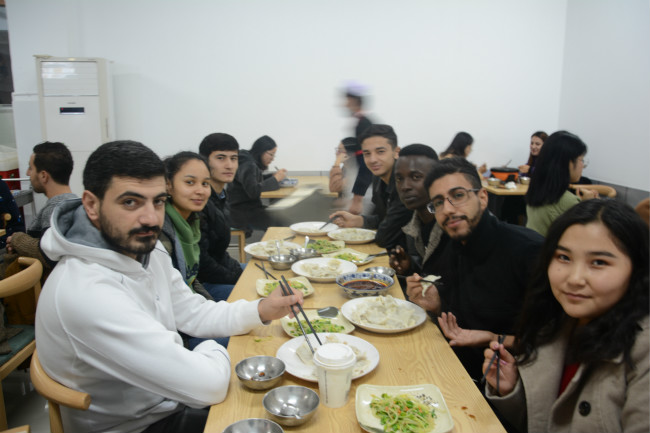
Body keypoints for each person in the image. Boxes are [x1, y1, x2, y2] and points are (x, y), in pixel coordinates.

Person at [35, 140, 303, 433]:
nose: (151, 218)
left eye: (158, 201)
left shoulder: (144, 249)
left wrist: (262, 309)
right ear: (91, 205)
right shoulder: (86, 293)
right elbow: (208, 386)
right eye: (130, 202)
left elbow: (192, 311)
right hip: (136, 426)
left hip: (168, 401)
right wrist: (207, 349)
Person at [483, 199, 649, 433]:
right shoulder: (556, 323)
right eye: (564, 257)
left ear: (636, 269)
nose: (574, 278)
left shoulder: (643, 349)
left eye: (599, 262)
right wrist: (511, 390)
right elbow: (546, 423)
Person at [405, 157, 544, 382]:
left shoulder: (528, 250)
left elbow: (552, 343)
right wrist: (438, 305)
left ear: (482, 197)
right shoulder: (452, 245)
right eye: (438, 203)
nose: (447, 209)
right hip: (454, 366)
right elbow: (461, 319)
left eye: (458, 195)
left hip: (509, 383)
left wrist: (491, 337)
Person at [329, 124, 412, 249]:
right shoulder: (378, 178)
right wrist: (358, 220)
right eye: (367, 153)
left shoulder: (405, 185)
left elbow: (385, 237)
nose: (372, 159)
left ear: (396, 152)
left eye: (380, 152)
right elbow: (383, 218)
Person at [6, 141, 76, 259]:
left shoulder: (54, 210)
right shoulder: (75, 202)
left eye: (31, 168)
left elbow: (50, 255)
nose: (27, 173)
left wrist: (17, 240)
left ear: (43, 176)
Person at [159, 151, 213, 301]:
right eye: (190, 182)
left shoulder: (193, 222)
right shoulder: (161, 232)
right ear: (168, 185)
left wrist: (210, 303)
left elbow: (191, 279)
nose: (200, 191)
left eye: (205, 183)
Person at [197, 133, 244, 300]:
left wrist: (237, 271)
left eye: (233, 158)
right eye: (221, 158)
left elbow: (219, 252)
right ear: (205, 161)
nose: (229, 165)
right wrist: (236, 278)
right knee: (262, 295)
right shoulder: (199, 200)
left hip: (218, 270)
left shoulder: (221, 195)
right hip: (202, 283)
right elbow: (202, 262)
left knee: (261, 272)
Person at [388, 144, 446, 279]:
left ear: (437, 179)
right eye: (399, 179)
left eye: (416, 177)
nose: (405, 187)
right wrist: (409, 268)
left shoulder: (453, 226)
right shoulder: (413, 226)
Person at [525, 131, 597, 236]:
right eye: (581, 160)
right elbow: (586, 236)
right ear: (567, 163)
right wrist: (589, 205)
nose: (583, 165)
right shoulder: (568, 201)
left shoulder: (536, 191)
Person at [228, 135, 287, 232]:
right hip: (241, 213)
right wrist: (275, 179)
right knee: (279, 224)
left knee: (278, 217)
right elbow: (253, 191)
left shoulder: (247, 160)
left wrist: (272, 176)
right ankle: (273, 242)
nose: (272, 159)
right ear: (262, 151)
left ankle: (273, 241)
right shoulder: (248, 164)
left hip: (243, 209)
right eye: (271, 154)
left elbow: (253, 180)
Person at [343, 83, 374, 215]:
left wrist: (357, 198)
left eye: (346, 100)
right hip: (360, 185)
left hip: (363, 189)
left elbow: (366, 162)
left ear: (353, 101)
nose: (344, 104)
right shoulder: (360, 122)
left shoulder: (363, 124)